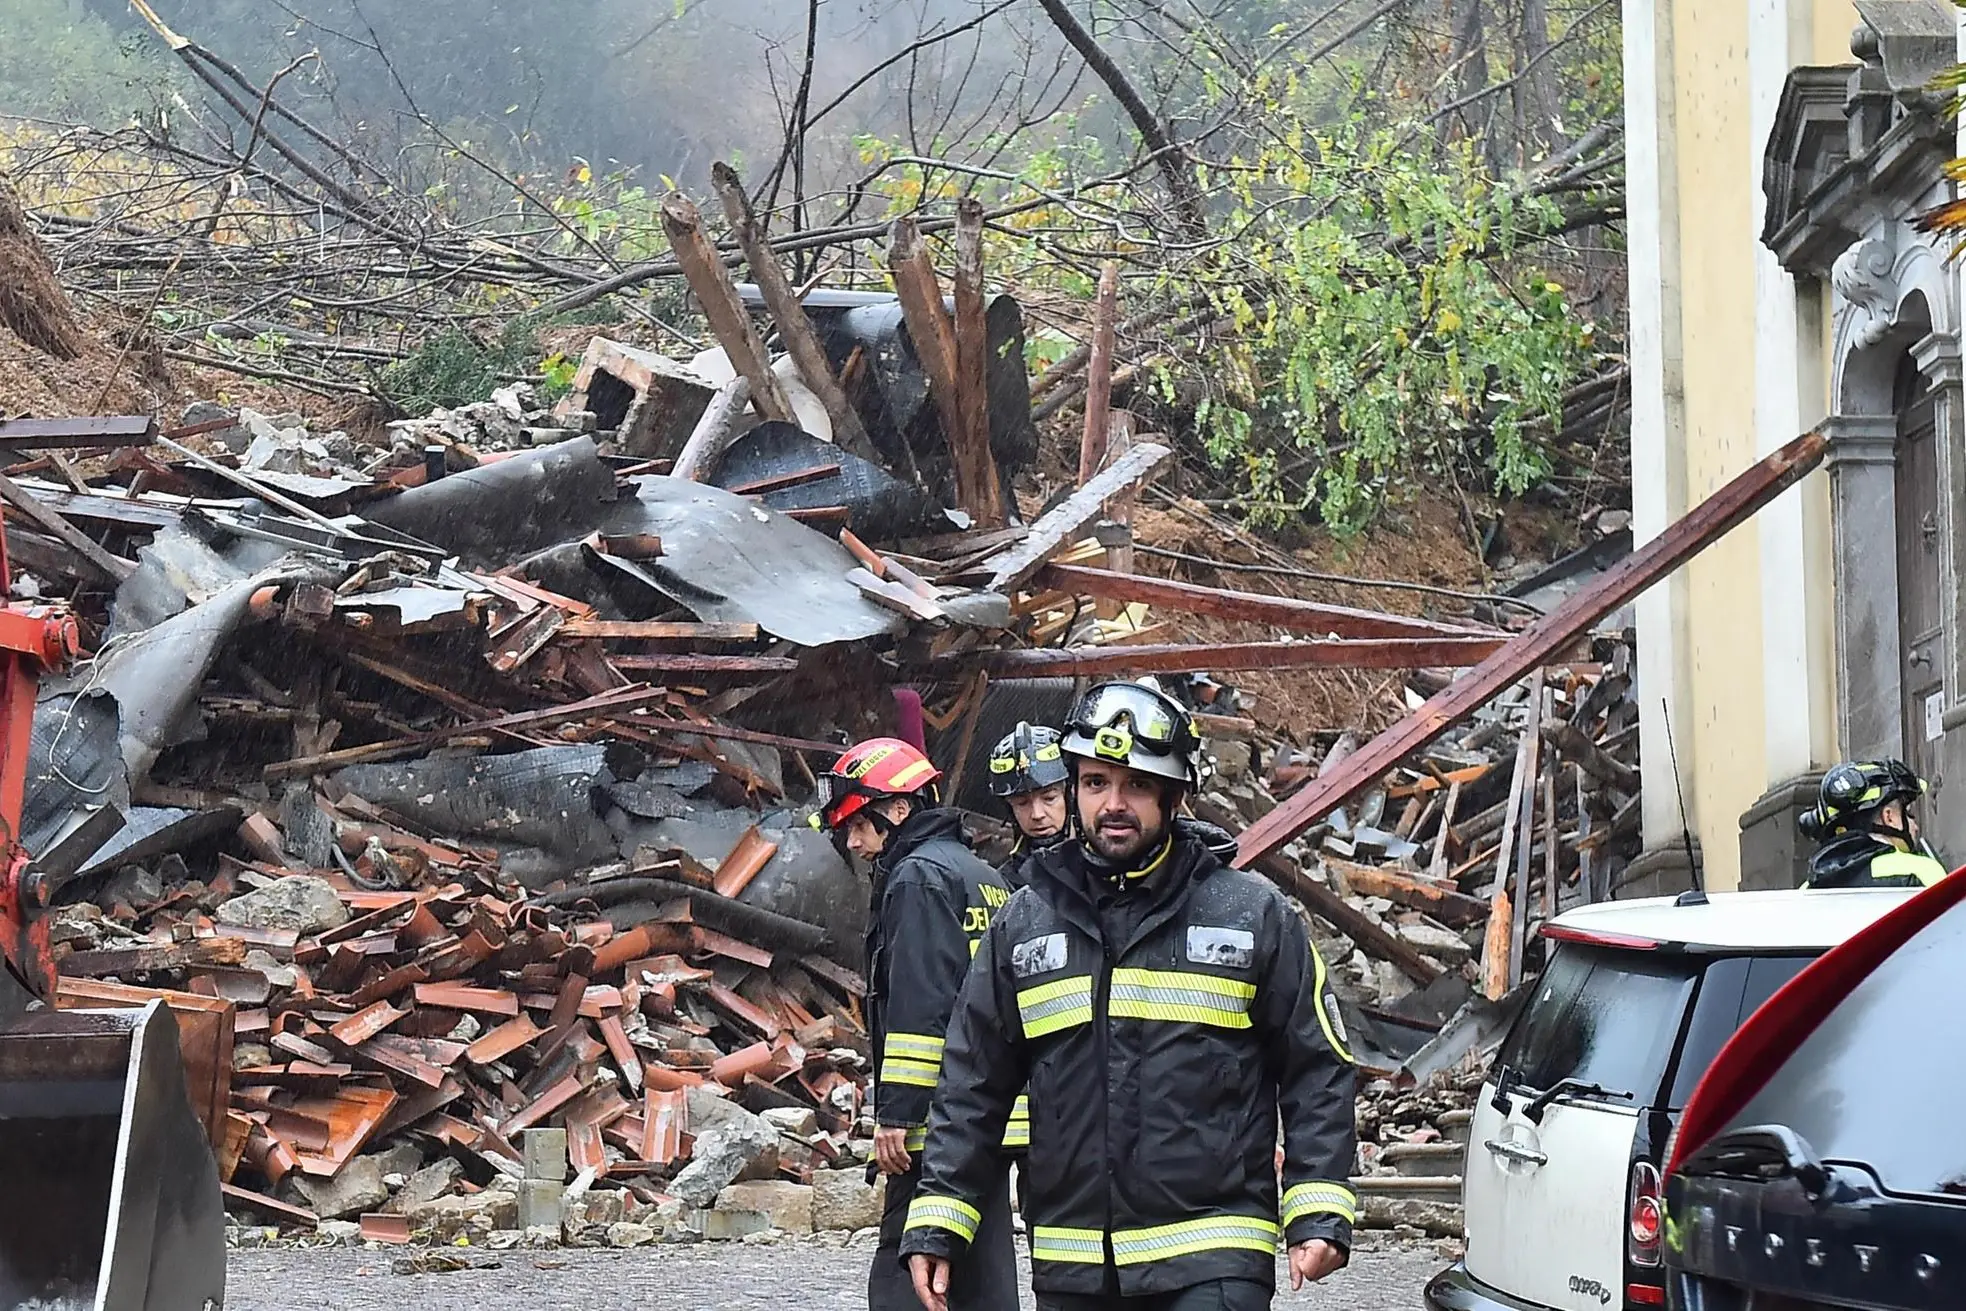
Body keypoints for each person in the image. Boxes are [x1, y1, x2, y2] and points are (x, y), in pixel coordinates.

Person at [898, 681, 1358, 1311]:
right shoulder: (1025, 922)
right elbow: (972, 1081)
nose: (1113, 803)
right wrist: (938, 1221)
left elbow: (1316, 1066)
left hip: (1213, 1259)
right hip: (1074, 1265)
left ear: (1174, 796)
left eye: (1137, 785)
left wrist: (1320, 1204)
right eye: (1095, 783)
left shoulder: (1252, 915)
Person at [815, 738, 1019, 1311]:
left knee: (905, 1278)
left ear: (898, 809)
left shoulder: (917, 878)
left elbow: (918, 1006)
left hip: (938, 1122)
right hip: (991, 1113)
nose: (853, 842)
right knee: (981, 1271)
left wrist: (898, 1116)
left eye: (857, 823)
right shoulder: (983, 876)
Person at [1800, 759, 1949, 888]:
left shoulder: (1807, 889)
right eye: (1908, 814)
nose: (1915, 827)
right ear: (1889, 817)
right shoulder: (1921, 871)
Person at [987, 722, 1071, 886]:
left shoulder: (1107, 867)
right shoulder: (1005, 882)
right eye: (1022, 803)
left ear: (1071, 795)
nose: (1037, 814)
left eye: (1049, 798)